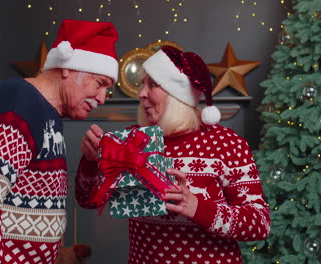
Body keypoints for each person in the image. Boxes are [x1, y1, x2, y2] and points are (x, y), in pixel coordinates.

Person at [0, 19, 119, 264]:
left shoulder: (45, 112)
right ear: (69, 68)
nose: (102, 98)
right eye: (100, 84)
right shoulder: (16, 105)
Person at [76, 46, 271, 264]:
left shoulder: (226, 144)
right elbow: (88, 200)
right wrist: (90, 162)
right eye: (142, 84)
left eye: (152, 84)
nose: (141, 93)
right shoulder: (133, 140)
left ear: (177, 94)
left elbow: (259, 224)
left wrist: (197, 207)